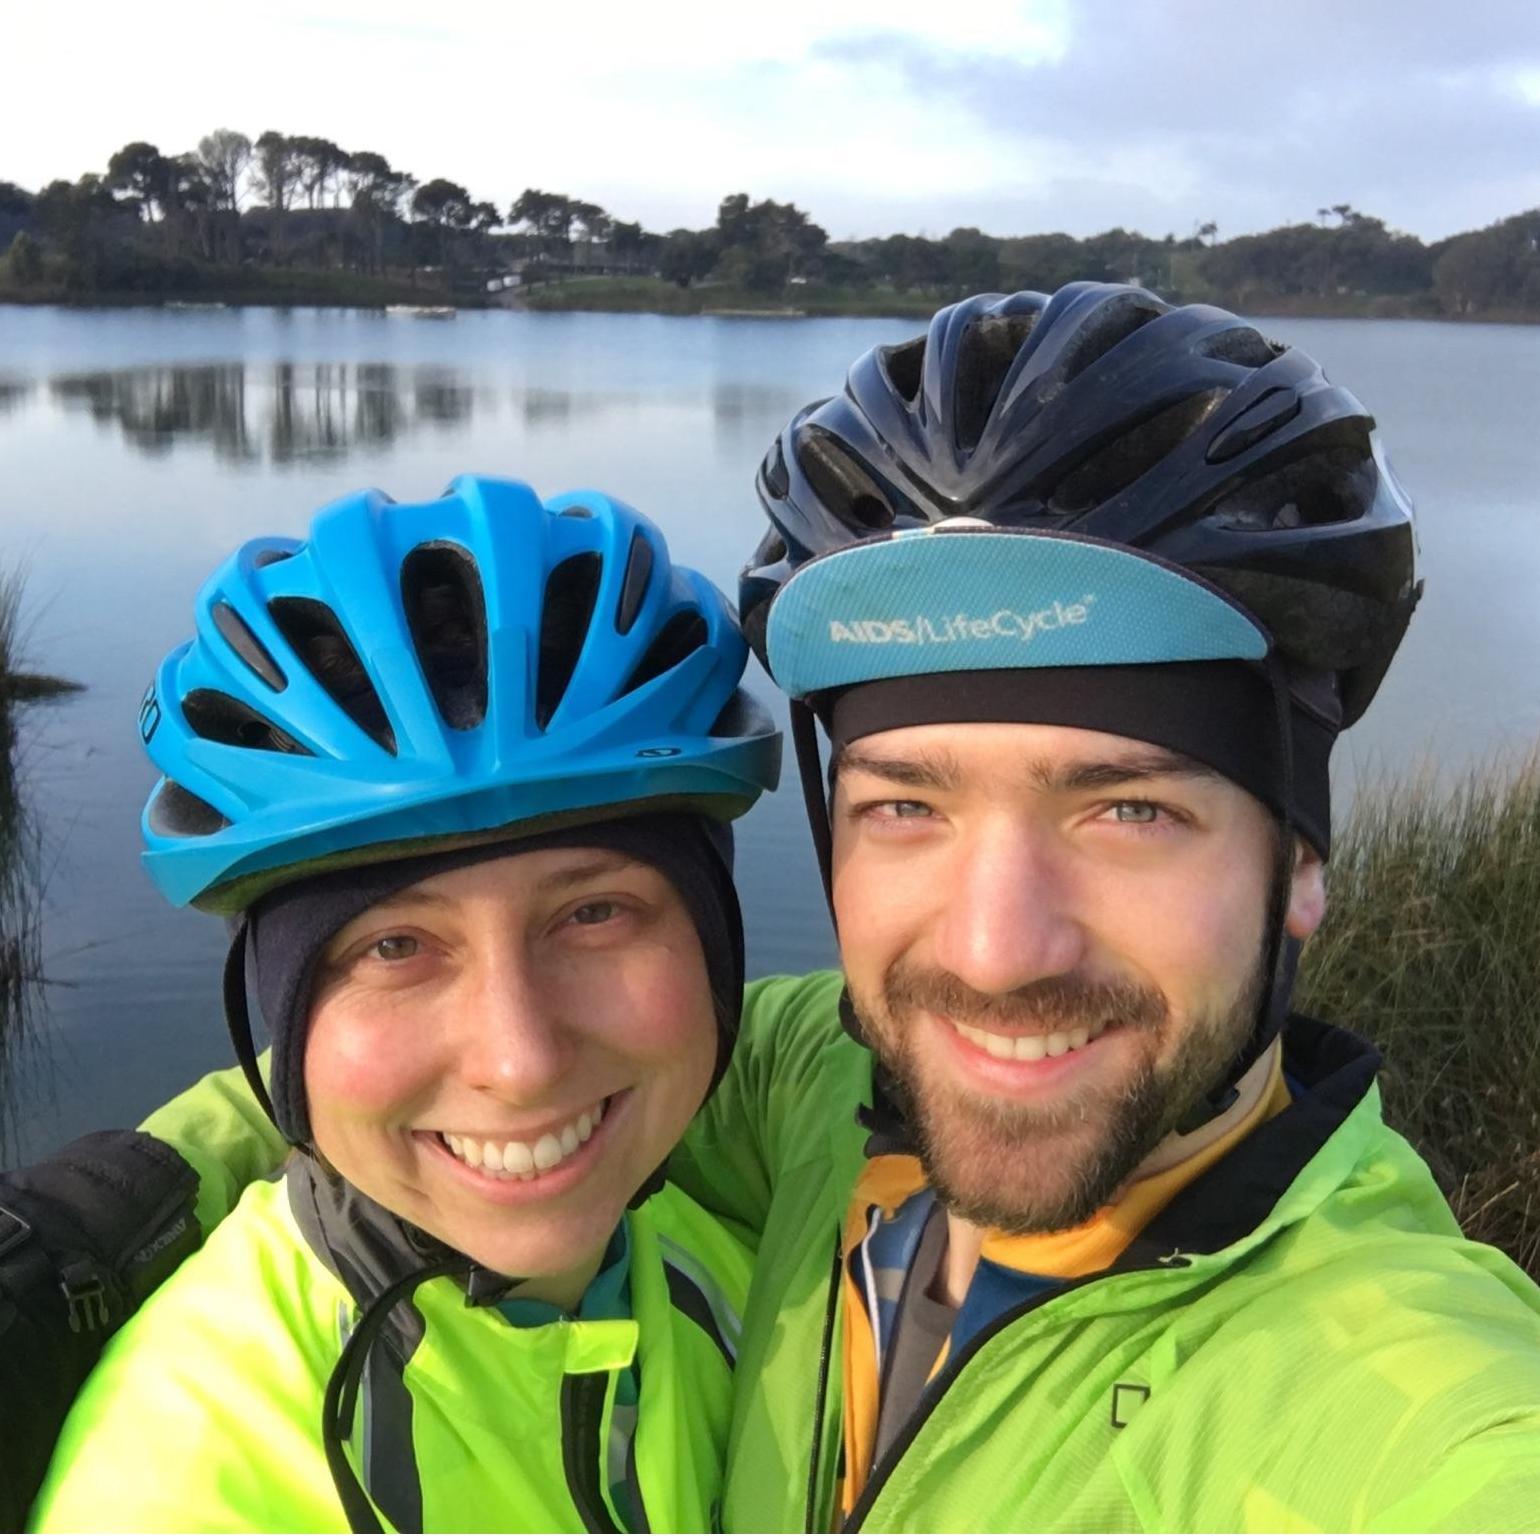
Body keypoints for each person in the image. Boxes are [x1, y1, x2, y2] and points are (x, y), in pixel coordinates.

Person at [664, 282, 1540, 1529]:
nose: (995, 952)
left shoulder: (1407, 1404)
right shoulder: (814, 1083)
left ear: (1298, 862)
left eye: (1128, 810)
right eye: (904, 806)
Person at [27, 474, 780, 1532]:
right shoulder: (191, 1479)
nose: (520, 1061)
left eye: (595, 913)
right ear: (284, 1016)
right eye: (394, 946)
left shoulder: (746, 1279)